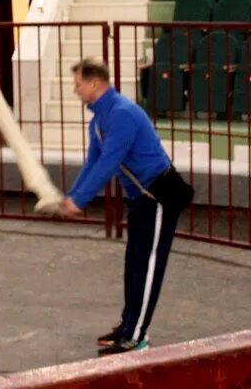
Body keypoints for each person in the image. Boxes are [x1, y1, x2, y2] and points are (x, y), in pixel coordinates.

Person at [59, 58, 182, 355]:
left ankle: (137, 337)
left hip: (159, 196)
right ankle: (128, 326)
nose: (75, 90)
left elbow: (109, 161)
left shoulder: (121, 114)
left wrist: (80, 200)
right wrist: (73, 196)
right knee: (134, 265)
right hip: (141, 198)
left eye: (78, 84)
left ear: (94, 84)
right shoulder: (99, 120)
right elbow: (93, 162)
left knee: (148, 267)